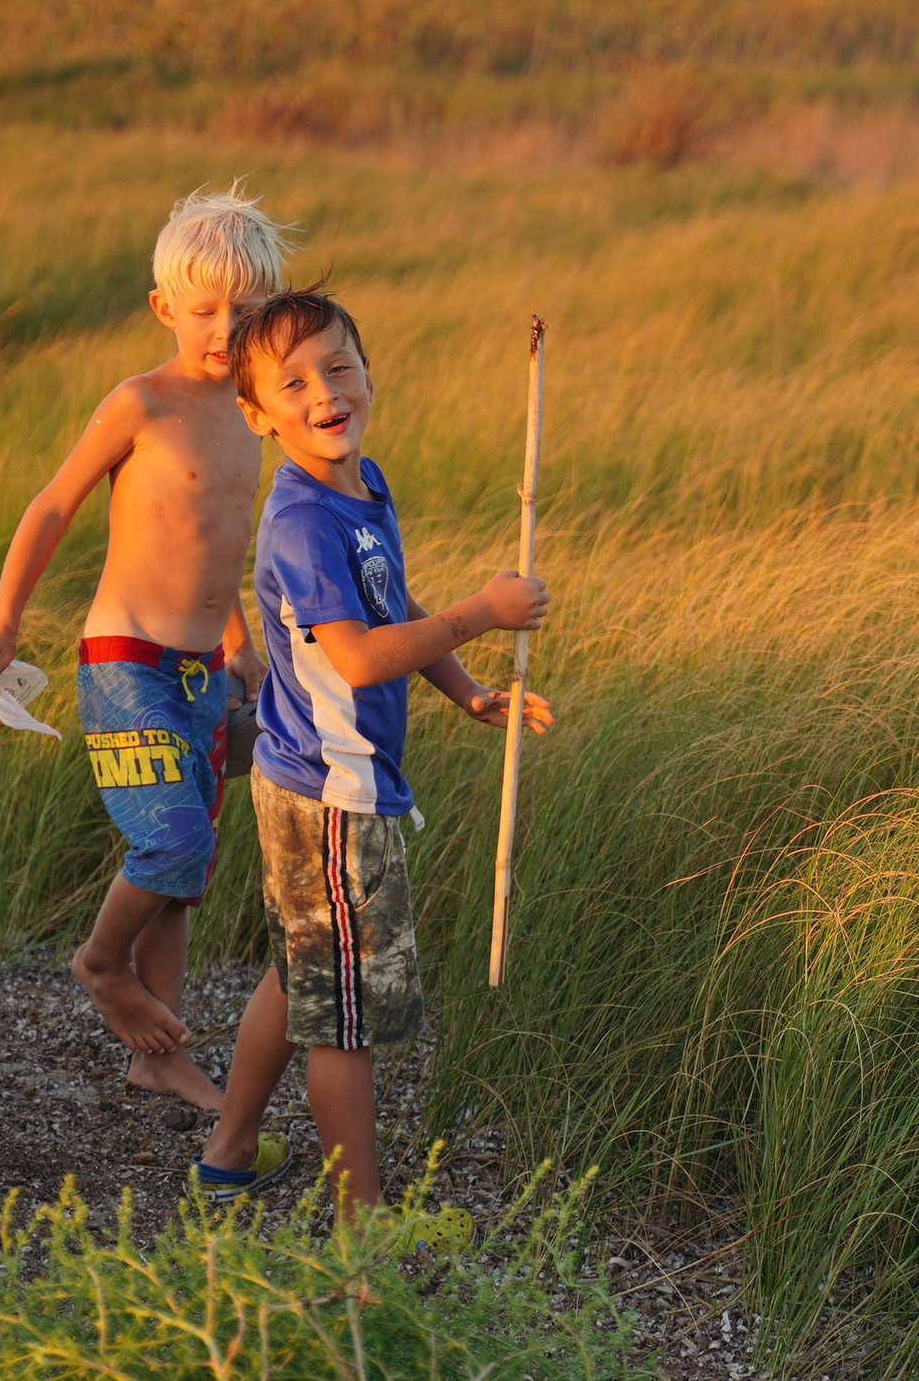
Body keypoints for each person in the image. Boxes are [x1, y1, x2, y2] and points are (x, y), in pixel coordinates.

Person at [194, 286, 552, 1220]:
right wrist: (482, 611)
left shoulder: (363, 487)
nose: (325, 392)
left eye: (340, 366)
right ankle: (361, 1225)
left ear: (368, 372)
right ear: (257, 414)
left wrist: (468, 687)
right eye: (295, 381)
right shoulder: (305, 520)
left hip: (318, 782)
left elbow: (392, 611)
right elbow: (355, 657)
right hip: (330, 795)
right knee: (343, 1020)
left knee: (305, 966)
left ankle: (232, 1147)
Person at [0, 186, 294, 1113]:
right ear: (164, 310)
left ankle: (159, 1052)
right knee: (172, 839)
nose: (228, 329)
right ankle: (103, 965)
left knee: (186, 867)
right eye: (204, 312)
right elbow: (53, 506)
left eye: (250, 310)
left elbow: (219, 543)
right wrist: (2, 623)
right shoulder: (140, 404)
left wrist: (241, 642)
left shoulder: (255, 412)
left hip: (198, 673)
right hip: (126, 662)